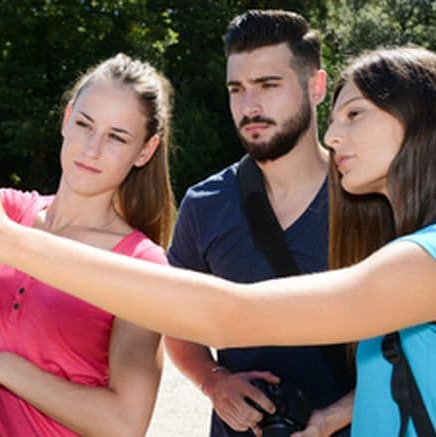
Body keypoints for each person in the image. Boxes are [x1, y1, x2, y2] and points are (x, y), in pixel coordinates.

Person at [0, 46, 436, 436]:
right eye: (333, 115)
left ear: (422, 121)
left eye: (354, 115)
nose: (332, 136)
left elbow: (227, 315)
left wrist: (9, 247)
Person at [0, 53, 176, 436]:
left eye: (117, 137)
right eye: (84, 124)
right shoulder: (14, 213)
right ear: (66, 119)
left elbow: (126, 424)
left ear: (145, 151)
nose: (91, 148)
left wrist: (5, 368)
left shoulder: (140, 261)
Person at [163, 10, 354, 437]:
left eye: (269, 85)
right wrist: (213, 382)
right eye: (237, 89)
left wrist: (332, 418)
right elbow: (175, 323)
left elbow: (421, 346)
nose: (250, 106)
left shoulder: (371, 198)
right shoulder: (204, 205)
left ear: (316, 86)